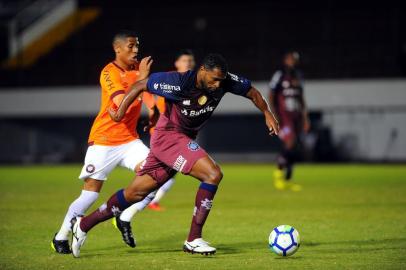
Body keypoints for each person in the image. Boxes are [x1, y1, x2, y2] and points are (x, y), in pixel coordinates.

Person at [70, 53, 280, 257]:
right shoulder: (178, 82)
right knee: (213, 174)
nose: (217, 84)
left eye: (221, 80)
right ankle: (193, 239)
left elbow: (252, 92)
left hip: (181, 140)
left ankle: (83, 224)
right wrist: (119, 112)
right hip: (168, 137)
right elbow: (140, 85)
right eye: (214, 79)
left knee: (135, 193)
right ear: (202, 71)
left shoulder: (224, 81)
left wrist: (267, 113)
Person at [51, 30, 165, 254]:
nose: (136, 50)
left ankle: (124, 216)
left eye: (137, 46)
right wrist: (143, 79)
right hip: (104, 140)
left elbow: (148, 94)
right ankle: (61, 235)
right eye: (131, 46)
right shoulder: (109, 72)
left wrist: (153, 111)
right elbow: (121, 105)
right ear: (118, 48)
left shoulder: (137, 72)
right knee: (90, 194)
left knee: (156, 176)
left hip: (130, 141)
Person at [268, 51, 310, 191]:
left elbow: (301, 98)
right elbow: (271, 94)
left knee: (295, 146)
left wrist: (305, 118)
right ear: (285, 60)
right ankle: (278, 175)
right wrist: (274, 114)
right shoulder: (279, 74)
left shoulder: (298, 76)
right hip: (284, 116)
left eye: (295, 60)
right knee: (290, 142)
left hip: (296, 115)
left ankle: (288, 179)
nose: (293, 62)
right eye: (291, 59)